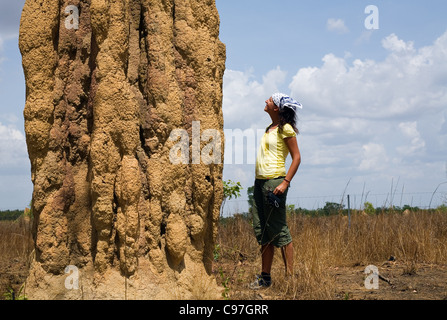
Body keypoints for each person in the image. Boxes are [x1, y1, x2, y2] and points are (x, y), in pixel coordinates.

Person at [249, 93, 302, 290]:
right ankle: (265, 278)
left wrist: (285, 182)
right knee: (264, 231)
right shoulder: (269, 128)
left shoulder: (285, 129)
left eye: (270, 100)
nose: (266, 101)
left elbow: (296, 158)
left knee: (279, 230)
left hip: (275, 183)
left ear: (277, 108)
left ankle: (290, 278)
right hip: (260, 183)